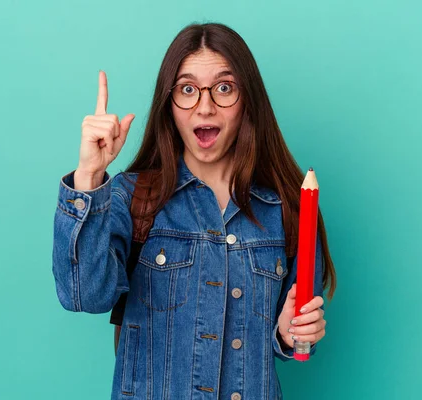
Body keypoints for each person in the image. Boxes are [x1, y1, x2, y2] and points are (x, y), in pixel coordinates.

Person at [52, 22, 337, 400]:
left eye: (224, 88)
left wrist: (290, 335)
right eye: (187, 89)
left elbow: (294, 338)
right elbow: (82, 295)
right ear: (169, 105)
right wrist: (89, 175)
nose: (205, 106)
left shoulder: (288, 208)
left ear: (247, 100)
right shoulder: (132, 198)